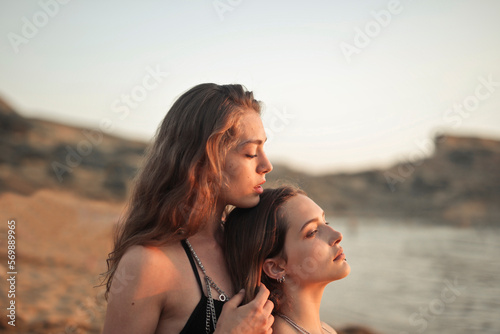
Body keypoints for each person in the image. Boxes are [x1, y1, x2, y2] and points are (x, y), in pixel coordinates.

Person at [102, 83, 274, 333]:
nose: (266, 164)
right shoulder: (148, 264)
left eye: (263, 148)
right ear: (202, 160)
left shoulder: (248, 246)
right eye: (250, 153)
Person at [224, 186, 351, 334]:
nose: (337, 235)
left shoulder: (327, 330)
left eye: (325, 222)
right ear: (276, 267)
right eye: (312, 232)